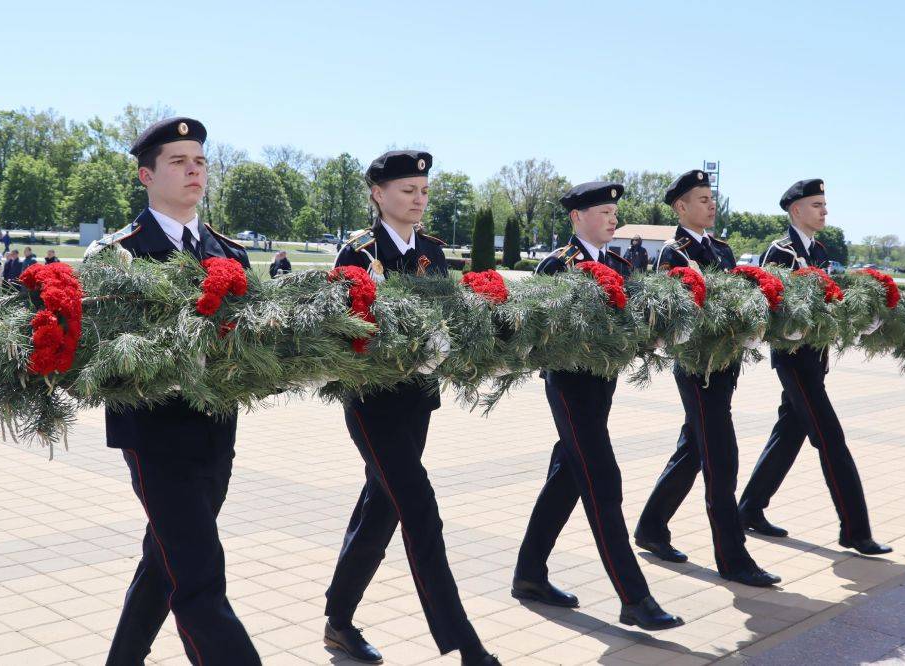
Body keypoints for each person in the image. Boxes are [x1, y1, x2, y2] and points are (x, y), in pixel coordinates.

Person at [85, 117, 261, 666]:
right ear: (146, 175)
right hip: (155, 435)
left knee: (166, 559)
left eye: (201, 161)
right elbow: (103, 358)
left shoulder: (230, 253)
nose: (194, 171)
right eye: (179, 161)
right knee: (199, 576)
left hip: (217, 431)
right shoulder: (117, 257)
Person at [324, 150, 500, 666]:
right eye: (407, 190)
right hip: (372, 405)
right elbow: (343, 332)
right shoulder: (357, 254)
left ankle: (338, 620)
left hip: (418, 401)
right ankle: (466, 644)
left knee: (381, 509)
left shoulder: (432, 251)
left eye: (423, 191)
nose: (419, 200)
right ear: (378, 194)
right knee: (419, 510)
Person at [513, 181, 683, 631]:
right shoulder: (559, 265)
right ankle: (634, 597)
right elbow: (534, 330)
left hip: (602, 385)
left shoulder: (619, 263)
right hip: (569, 387)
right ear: (577, 217)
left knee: (568, 476)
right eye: (603, 211)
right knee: (603, 480)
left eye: (614, 212)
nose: (612, 218)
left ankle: (529, 575)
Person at [635, 169, 781, 587]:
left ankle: (651, 527)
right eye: (701, 199)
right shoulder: (673, 253)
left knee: (694, 449)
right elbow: (675, 312)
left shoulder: (722, 248)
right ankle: (733, 559)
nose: (711, 205)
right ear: (681, 208)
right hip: (697, 367)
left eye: (711, 198)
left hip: (725, 364)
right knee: (722, 458)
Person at [737, 179, 892, 556]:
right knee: (831, 440)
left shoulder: (818, 250)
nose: (824, 211)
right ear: (796, 211)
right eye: (817, 204)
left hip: (816, 357)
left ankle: (749, 509)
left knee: (788, 434)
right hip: (794, 360)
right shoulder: (782, 251)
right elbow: (772, 304)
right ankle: (855, 530)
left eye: (825, 204)